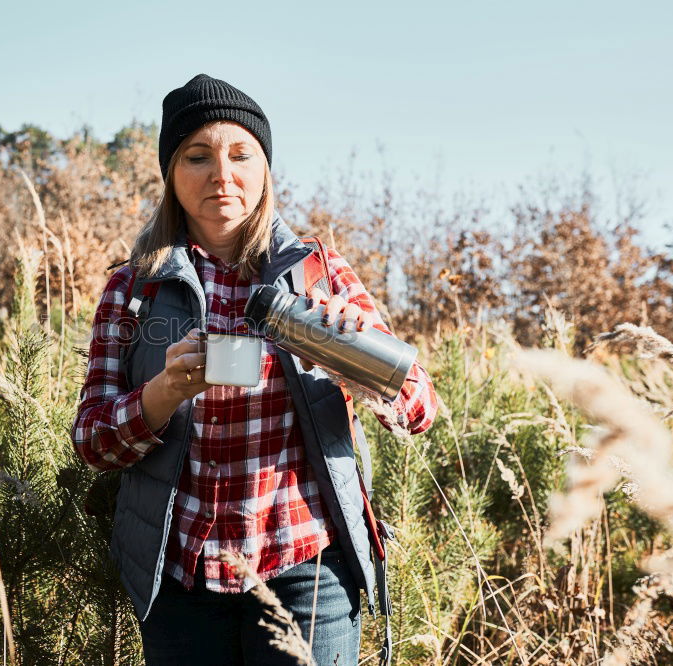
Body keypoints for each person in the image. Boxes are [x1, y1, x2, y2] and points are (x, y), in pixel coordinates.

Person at [71, 73, 438, 665]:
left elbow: (420, 408)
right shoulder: (133, 288)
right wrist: (162, 394)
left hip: (306, 569)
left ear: (265, 169)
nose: (222, 174)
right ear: (171, 173)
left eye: (241, 154)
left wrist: (358, 359)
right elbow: (90, 440)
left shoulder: (316, 271)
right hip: (180, 580)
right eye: (197, 156)